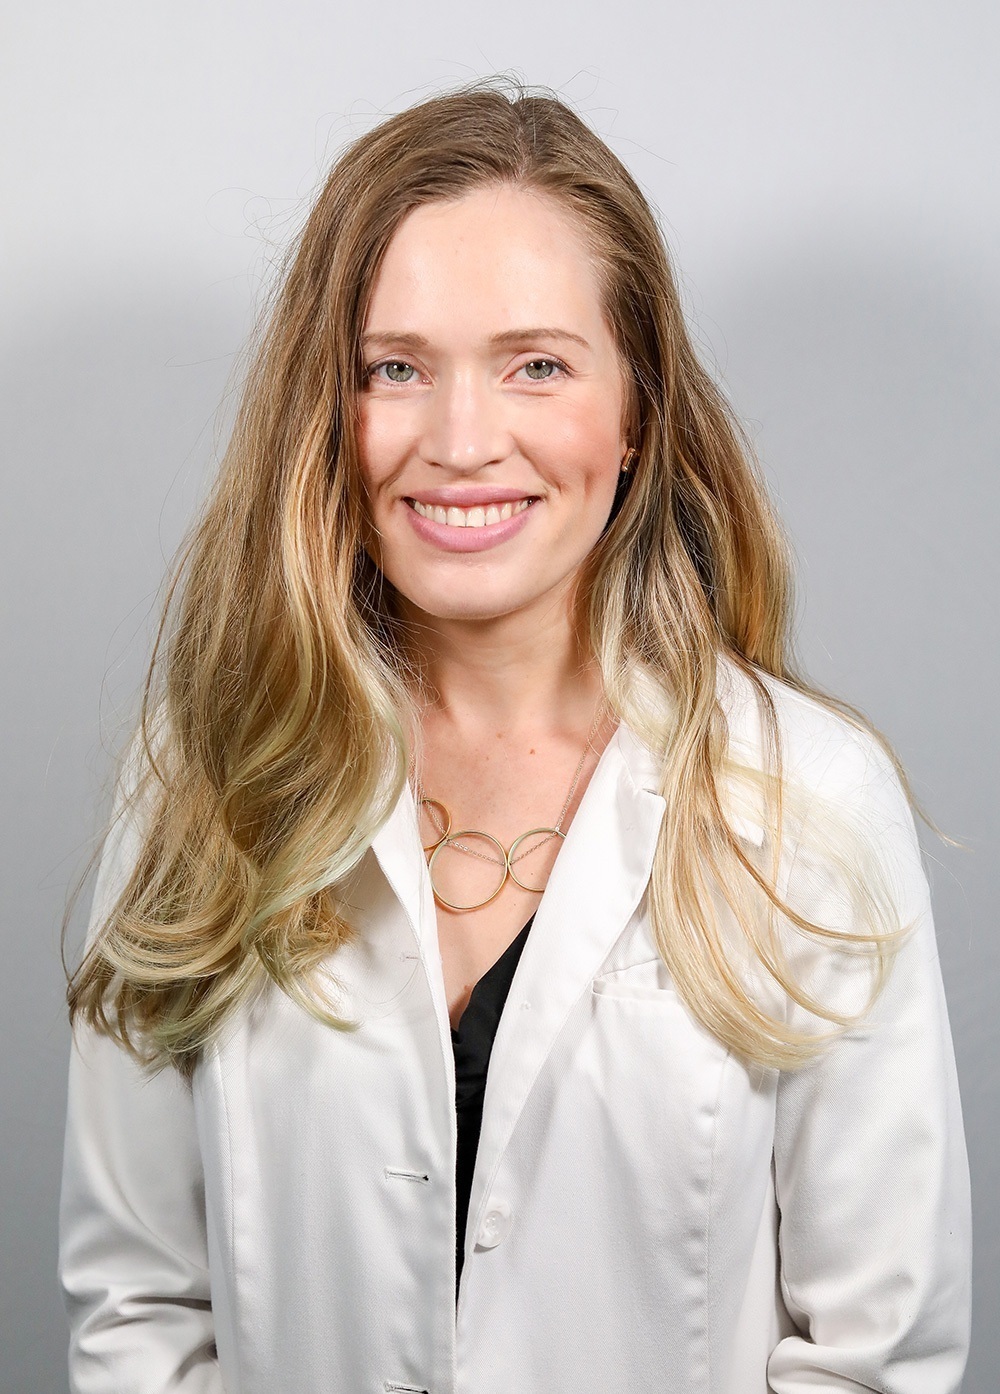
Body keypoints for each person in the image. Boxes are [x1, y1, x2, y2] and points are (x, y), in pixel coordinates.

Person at [60, 79, 971, 1393]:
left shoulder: (812, 799)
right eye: (395, 369)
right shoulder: (197, 781)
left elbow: (875, 1359)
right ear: (332, 410)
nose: (463, 439)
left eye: (537, 363)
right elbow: (138, 1311)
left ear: (636, 411)